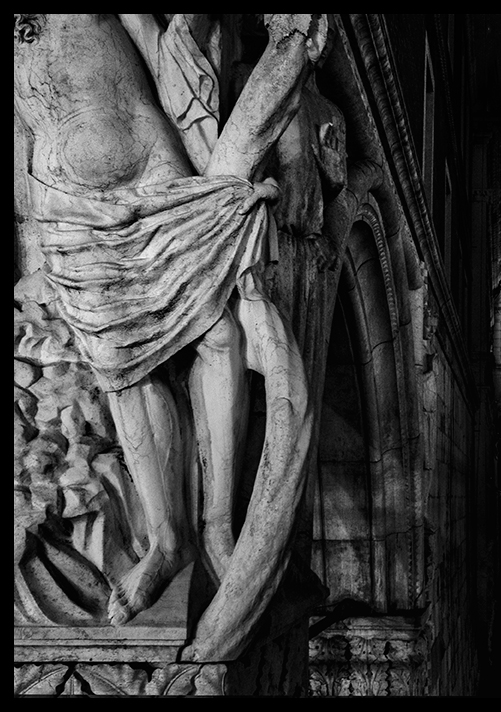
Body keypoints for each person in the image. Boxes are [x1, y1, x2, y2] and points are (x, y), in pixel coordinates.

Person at [14, 14, 323, 654]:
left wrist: (223, 175)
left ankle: (217, 524)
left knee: (216, 331)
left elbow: (165, 50)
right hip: (67, 204)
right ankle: (165, 539)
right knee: (121, 365)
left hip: (154, 169)